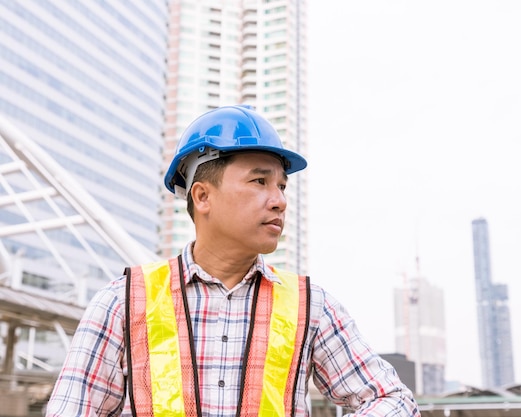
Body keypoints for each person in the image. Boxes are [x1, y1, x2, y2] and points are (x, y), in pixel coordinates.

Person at [45, 105, 420, 417]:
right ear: (203, 196)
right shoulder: (124, 302)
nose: (279, 200)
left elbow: (395, 401)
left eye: (282, 186)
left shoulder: (310, 306)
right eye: (260, 181)